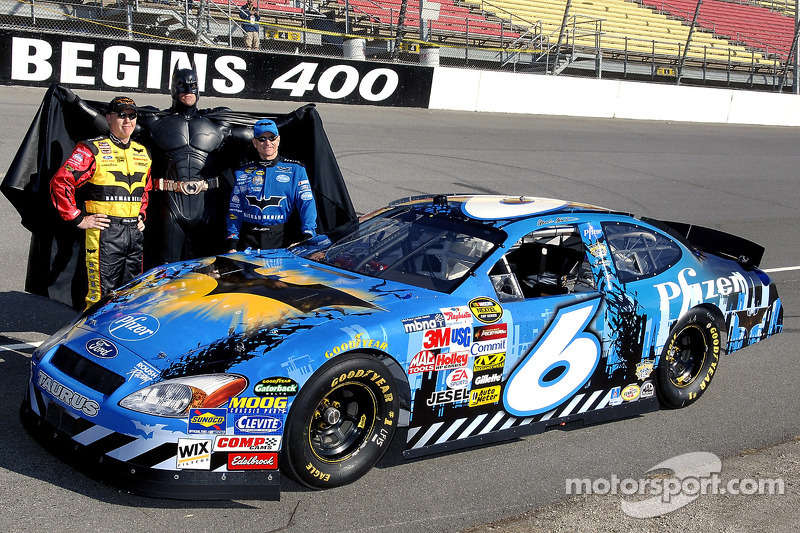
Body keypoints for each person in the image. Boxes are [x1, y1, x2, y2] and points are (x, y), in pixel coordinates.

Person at [49, 96, 152, 308]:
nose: (127, 121)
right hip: (105, 232)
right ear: (108, 118)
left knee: (131, 294)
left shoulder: (142, 152)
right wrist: (77, 218)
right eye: (121, 115)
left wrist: (141, 214)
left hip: (134, 233)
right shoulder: (92, 149)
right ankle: (91, 339)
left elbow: (145, 189)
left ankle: (122, 337)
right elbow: (60, 182)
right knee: (101, 297)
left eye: (132, 116)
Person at [138, 68, 250, 264]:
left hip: (207, 206)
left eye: (193, 85)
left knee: (206, 269)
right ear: (172, 88)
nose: (188, 90)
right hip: (169, 206)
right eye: (182, 84)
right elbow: (115, 123)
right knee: (167, 271)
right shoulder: (155, 121)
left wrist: (297, 118)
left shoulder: (218, 122)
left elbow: (264, 133)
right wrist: (75, 102)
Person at [227, 119, 317, 252]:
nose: (268, 142)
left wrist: (308, 235)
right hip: (248, 239)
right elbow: (235, 209)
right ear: (255, 143)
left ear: (278, 140)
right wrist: (232, 241)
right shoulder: (242, 172)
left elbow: (307, 205)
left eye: (272, 138)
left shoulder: (296, 169)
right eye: (262, 139)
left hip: (281, 238)